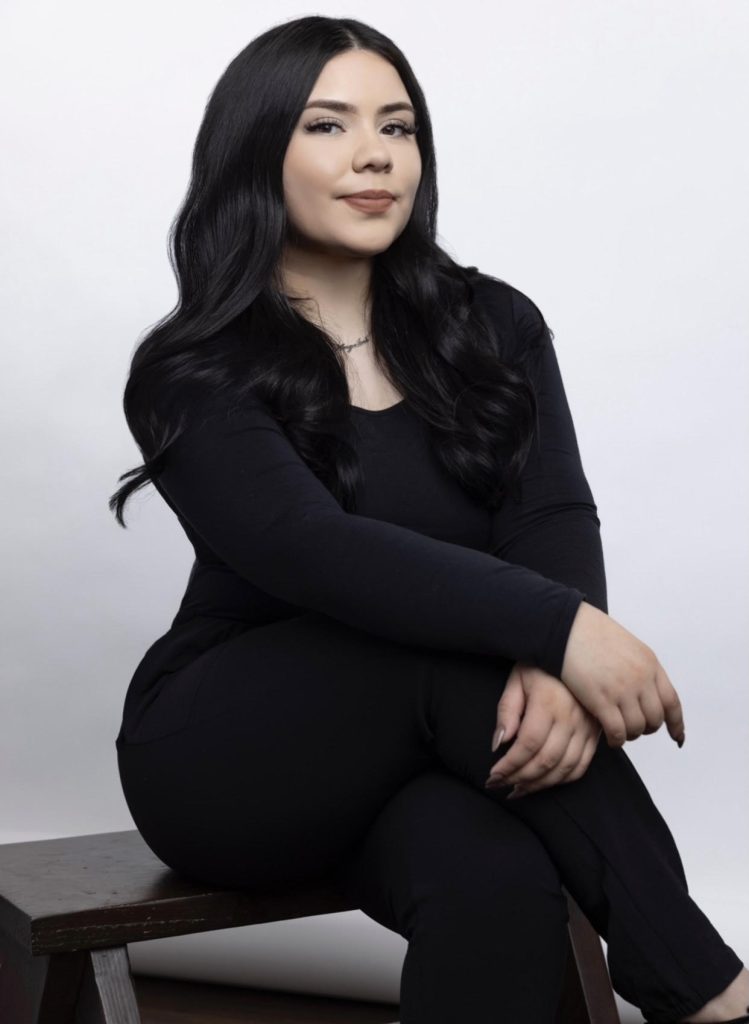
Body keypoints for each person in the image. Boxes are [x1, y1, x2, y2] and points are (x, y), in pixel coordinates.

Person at [108, 16, 748, 1024]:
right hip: (228, 760)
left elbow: (551, 515)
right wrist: (560, 630)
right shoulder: (194, 368)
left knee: (495, 881)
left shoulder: (490, 324)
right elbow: (309, 549)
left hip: (429, 752)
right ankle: (713, 993)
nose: (374, 155)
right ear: (256, 151)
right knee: (437, 660)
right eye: (328, 125)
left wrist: (553, 668)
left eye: (396, 127)